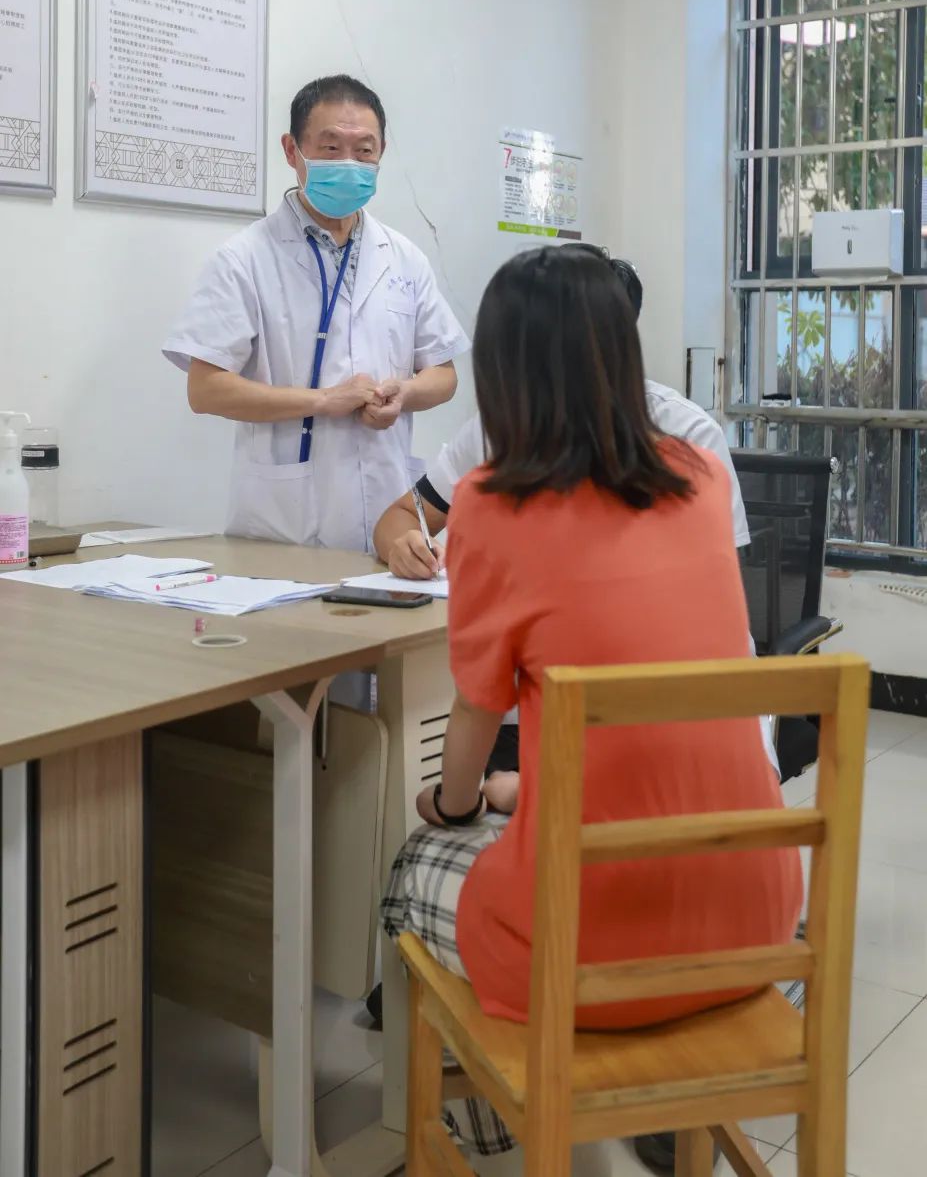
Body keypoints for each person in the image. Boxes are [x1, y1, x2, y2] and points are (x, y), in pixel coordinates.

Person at [380, 245, 803, 1167]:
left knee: (416, 866)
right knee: (510, 813)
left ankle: (518, 1119)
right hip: (758, 919)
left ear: (502, 370)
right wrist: (512, 795)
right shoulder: (697, 475)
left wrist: (458, 802)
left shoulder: (491, 504)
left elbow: (473, 719)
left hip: (588, 951)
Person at [372, 252, 772, 813]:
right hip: (736, 818)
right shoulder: (693, 472)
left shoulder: (493, 503)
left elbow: (481, 708)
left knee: (429, 850)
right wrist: (397, 542)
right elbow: (402, 513)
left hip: (601, 821)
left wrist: (494, 797)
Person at [162, 74, 470, 552]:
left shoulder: (405, 257)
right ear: (292, 151)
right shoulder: (245, 258)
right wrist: (320, 401)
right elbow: (205, 390)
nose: (349, 163)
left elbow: (444, 375)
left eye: (364, 151)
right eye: (330, 148)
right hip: (283, 528)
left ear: (382, 152)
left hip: (390, 529)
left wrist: (404, 393)